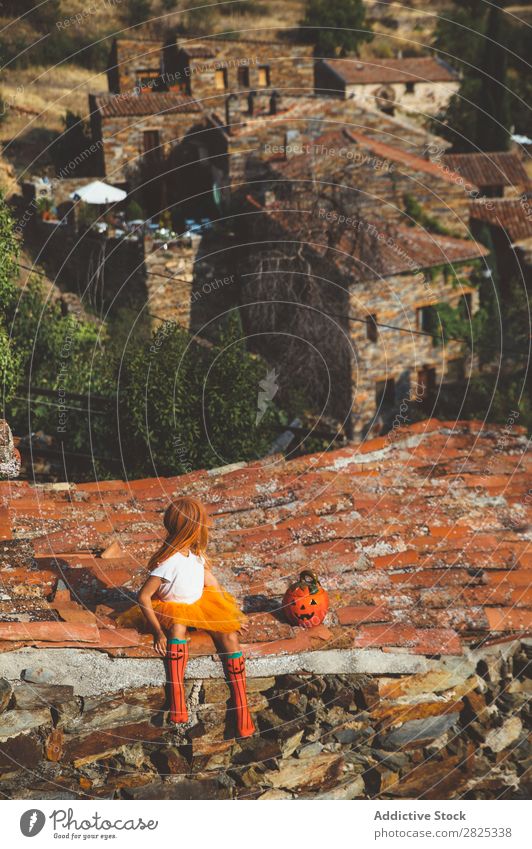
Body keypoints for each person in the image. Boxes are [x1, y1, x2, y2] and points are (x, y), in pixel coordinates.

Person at [117, 497, 255, 738]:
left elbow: (213, 585)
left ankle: (242, 707)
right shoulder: (168, 563)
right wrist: (158, 631)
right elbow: (144, 596)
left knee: (230, 637)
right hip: (172, 609)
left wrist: (232, 613)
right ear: (191, 527)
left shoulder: (197, 556)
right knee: (178, 628)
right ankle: (177, 701)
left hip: (200, 605)